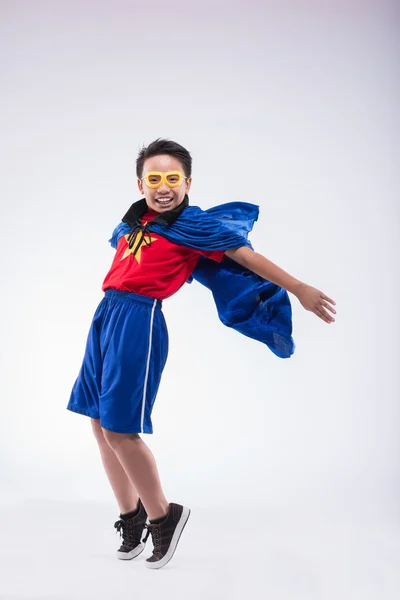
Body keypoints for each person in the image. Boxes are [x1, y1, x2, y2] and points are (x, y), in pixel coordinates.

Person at [67, 138, 336, 570]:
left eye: (172, 178)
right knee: (98, 422)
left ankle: (163, 516)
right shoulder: (135, 221)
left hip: (140, 321)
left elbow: (246, 256)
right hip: (105, 316)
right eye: (154, 178)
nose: (163, 187)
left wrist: (298, 287)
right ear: (140, 183)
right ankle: (131, 517)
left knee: (120, 429)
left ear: (187, 182)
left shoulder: (193, 224)